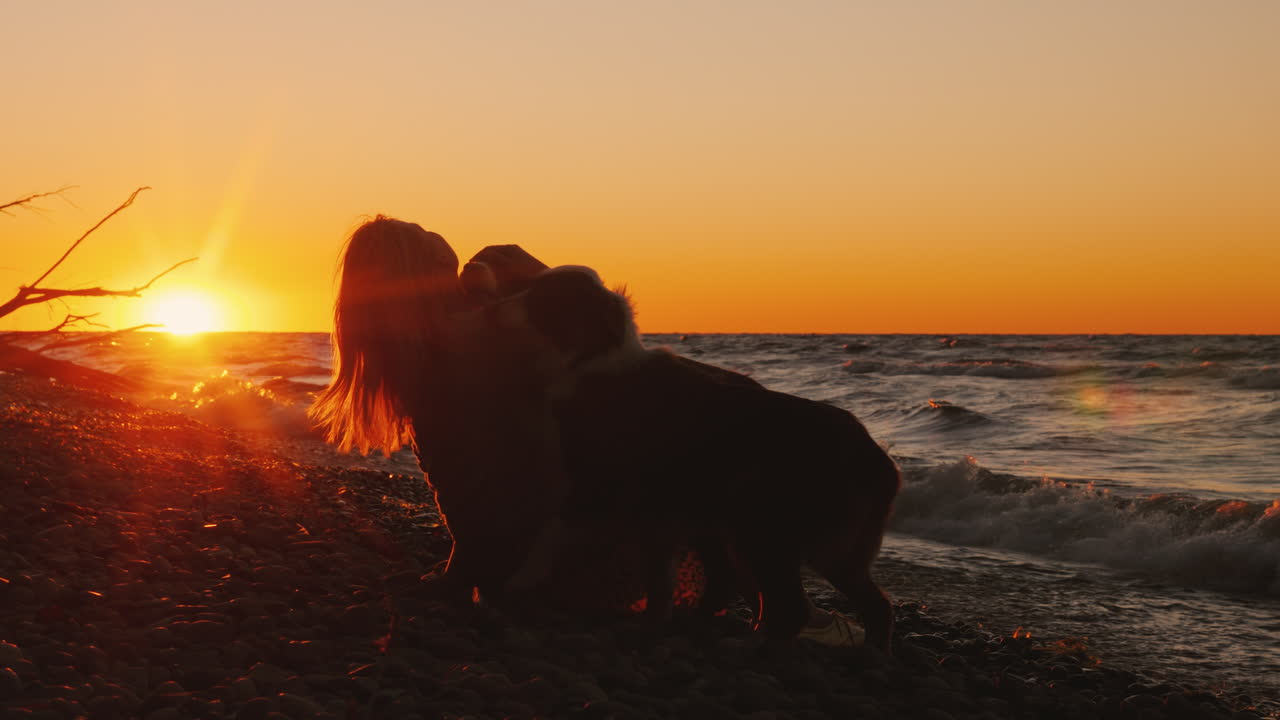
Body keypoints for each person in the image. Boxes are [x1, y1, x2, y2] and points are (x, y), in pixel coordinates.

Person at [310, 216, 873, 646]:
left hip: (519, 569)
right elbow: (605, 340)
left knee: (700, 436)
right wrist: (531, 275)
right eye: (448, 275)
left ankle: (772, 596)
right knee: (718, 449)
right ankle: (810, 619)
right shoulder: (489, 351)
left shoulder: (415, 374)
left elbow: (458, 486)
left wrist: (469, 570)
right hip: (580, 571)